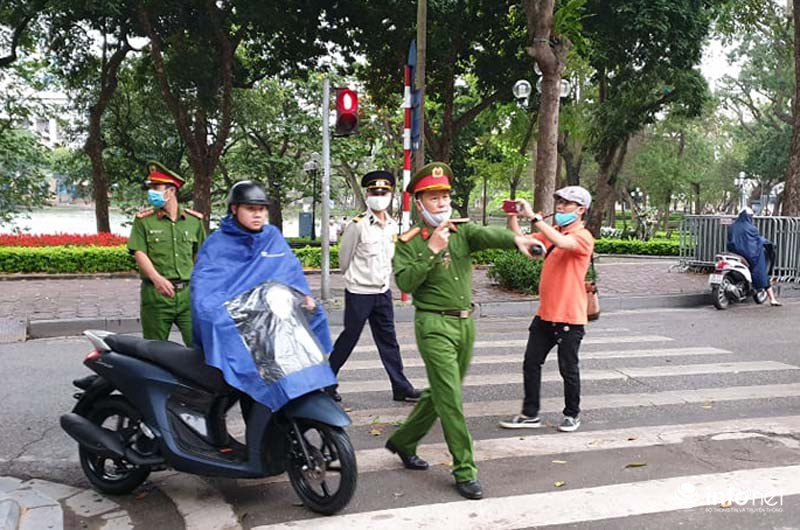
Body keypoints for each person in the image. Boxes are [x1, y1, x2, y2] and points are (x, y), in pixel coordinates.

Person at [384, 162, 536, 501]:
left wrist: (517, 240)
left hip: (465, 324)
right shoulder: (409, 243)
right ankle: (465, 470)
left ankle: (404, 441)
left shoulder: (462, 232)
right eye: (433, 197)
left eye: (445, 196)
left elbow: (487, 234)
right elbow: (405, 283)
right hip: (433, 325)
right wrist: (432, 251)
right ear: (419, 203)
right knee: (451, 398)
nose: (441, 203)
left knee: (441, 392)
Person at [191, 181, 336, 411]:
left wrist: (304, 296)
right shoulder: (217, 244)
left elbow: (289, 273)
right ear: (234, 209)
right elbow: (206, 290)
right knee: (245, 386)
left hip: (271, 325)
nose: (257, 215)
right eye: (250, 209)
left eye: (262, 209)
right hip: (238, 326)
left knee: (313, 322)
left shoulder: (272, 237)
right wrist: (219, 315)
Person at [499, 186, 595, 433]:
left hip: (569, 317)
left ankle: (572, 414)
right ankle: (530, 414)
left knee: (568, 369)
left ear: (581, 210)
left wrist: (534, 217)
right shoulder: (553, 232)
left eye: (566, 203)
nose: (560, 207)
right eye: (559, 202)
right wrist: (513, 216)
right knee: (531, 363)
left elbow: (562, 242)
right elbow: (525, 242)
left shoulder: (583, 236)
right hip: (545, 315)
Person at [326, 171, 420, 403]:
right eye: (374, 193)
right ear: (367, 195)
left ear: (390, 195)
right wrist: (356, 279)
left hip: (382, 292)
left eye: (383, 193)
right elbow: (344, 260)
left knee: (389, 341)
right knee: (349, 337)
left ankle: (401, 387)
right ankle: (326, 383)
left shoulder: (392, 226)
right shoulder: (357, 226)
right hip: (359, 293)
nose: (379, 197)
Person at [127, 161, 206, 346]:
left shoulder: (193, 221)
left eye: (156, 187)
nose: (151, 192)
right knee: (154, 351)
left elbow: (200, 256)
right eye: (151, 187)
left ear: (171, 191)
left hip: (187, 295)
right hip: (156, 295)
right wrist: (157, 279)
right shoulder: (144, 221)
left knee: (199, 347)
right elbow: (139, 252)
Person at [727, 207, 780, 306]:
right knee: (760, 270)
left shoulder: (732, 226)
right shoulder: (751, 228)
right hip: (749, 255)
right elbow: (755, 242)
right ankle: (772, 298)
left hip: (734, 253)